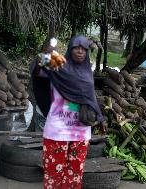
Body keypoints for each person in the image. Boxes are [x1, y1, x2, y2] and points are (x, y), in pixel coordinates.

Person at [30, 35, 106, 189]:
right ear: (70, 49)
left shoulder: (87, 73)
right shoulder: (57, 66)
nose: (80, 51)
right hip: (57, 130)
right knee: (53, 176)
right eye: (76, 48)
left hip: (81, 131)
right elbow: (37, 71)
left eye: (84, 49)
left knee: (75, 176)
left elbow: (90, 98)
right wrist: (46, 56)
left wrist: (99, 117)